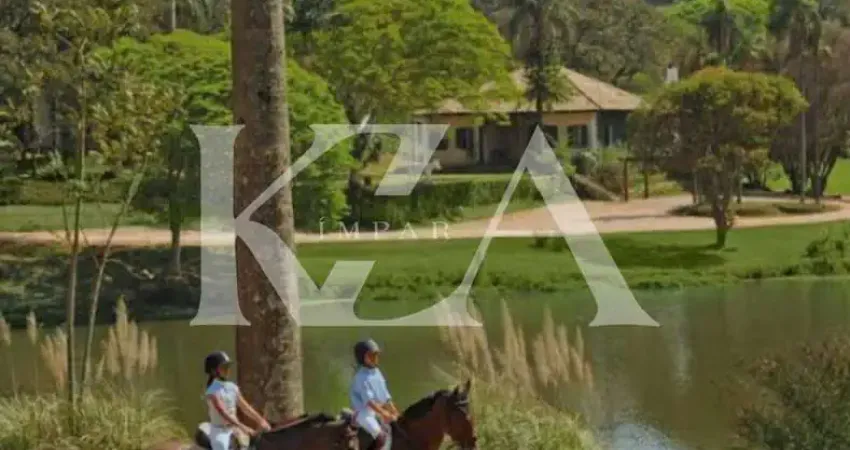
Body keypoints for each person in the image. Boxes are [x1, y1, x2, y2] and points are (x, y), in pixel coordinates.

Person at [204, 351, 272, 450]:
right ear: (214, 371)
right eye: (223, 368)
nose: (227, 370)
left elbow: (245, 408)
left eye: (228, 367)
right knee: (221, 446)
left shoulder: (232, 387)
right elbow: (223, 412)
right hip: (220, 430)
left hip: (234, 428)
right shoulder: (212, 390)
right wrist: (242, 427)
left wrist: (261, 420)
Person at [350, 339, 399, 450]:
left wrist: (394, 411)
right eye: (371, 356)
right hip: (363, 413)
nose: (375, 358)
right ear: (362, 358)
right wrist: (384, 413)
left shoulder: (377, 372)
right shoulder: (361, 377)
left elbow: (385, 396)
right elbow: (369, 402)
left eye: (376, 355)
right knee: (381, 436)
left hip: (376, 411)